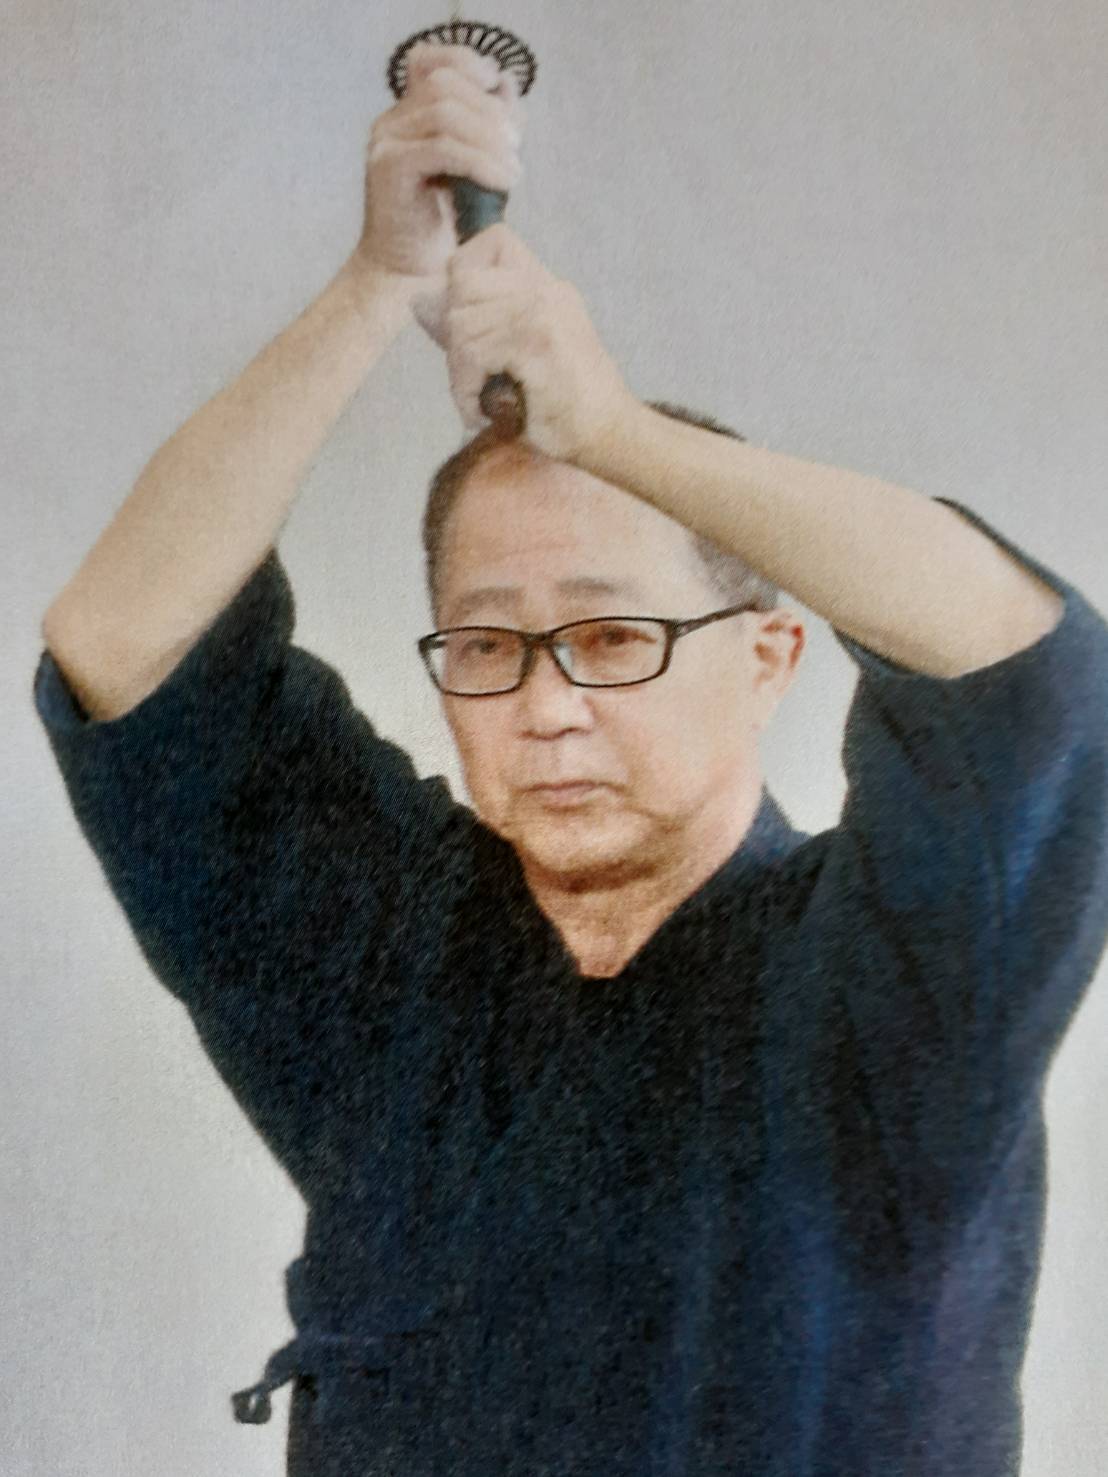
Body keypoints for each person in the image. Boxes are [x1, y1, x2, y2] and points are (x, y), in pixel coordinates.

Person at [33, 40, 1108, 1477]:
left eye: (613, 637)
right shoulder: (387, 951)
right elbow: (121, 643)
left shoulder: (905, 973)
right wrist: (377, 285)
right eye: (488, 645)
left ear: (768, 658)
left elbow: (1023, 662)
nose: (546, 705)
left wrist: (606, 428)